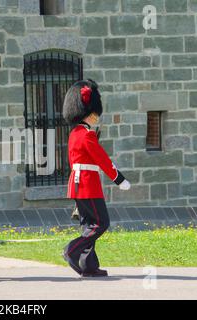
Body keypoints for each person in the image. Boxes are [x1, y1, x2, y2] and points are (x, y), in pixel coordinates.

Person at [62, 79, 131, 277]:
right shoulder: (87, 135)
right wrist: (119, 179)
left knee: (88, 225)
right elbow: (102, 159)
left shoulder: (75, 133)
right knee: (101, 223)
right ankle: (72, 250)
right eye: (94, 113)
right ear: (88, 113)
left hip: (77, 183)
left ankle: (88, 266)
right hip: (87, 184)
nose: (96, 117)